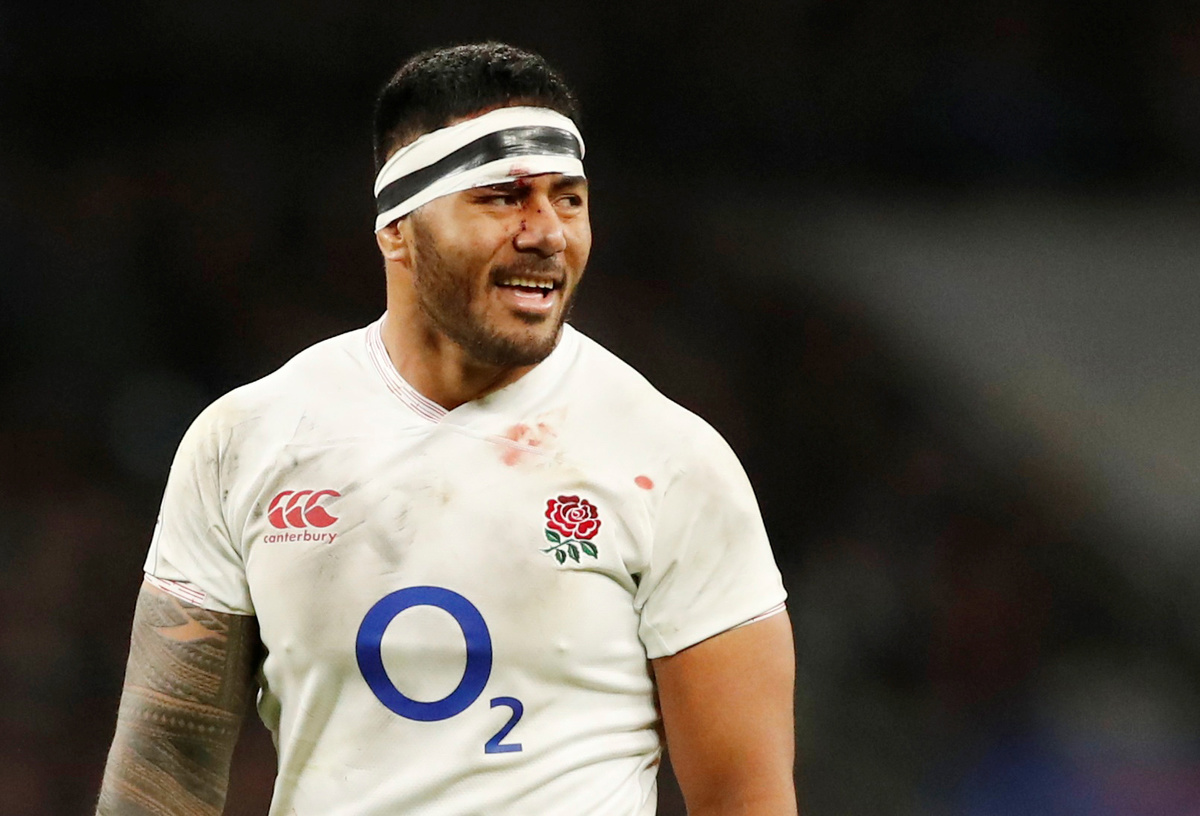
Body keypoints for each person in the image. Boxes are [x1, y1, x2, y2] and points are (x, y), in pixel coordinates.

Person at [96, 42, 796, 816]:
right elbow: (167, 760)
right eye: (502, 198)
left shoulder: (670, 461)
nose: (547, 233)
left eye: (568, 199)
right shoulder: (247, 441)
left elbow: (744, 797)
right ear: (397, 230)